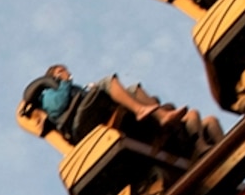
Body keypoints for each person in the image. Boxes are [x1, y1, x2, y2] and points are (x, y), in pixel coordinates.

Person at [16, 64, 220, 155]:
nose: (67, 73)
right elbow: (59, 107)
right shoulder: (48, 95)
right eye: (62, 71)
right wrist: (63, 82)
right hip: (79, 125)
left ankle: (160, 116)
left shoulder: (72, 88)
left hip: (90, 111)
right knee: (107, 81)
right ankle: (141, 111)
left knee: (133, 89)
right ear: (53, 75)